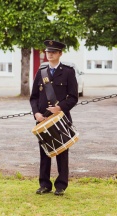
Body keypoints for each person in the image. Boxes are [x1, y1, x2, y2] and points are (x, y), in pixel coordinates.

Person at [30, 40, 78, 196]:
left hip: (61, 118)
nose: (49, 54)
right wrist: (36, 113)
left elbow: (73, 97)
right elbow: (34, 97)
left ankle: (61, 185)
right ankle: (44, 184)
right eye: (47, 52)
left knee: (62, 152)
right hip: (43, 118)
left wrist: (60, 107)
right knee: (45, 152)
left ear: (60, 54)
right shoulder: (41, 71)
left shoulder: (68, 72)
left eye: (53, 52)